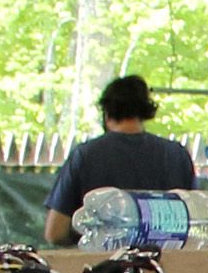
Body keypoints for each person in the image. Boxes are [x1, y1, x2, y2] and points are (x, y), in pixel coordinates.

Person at [46, 73, 196, 244]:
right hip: (165, 265)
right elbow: (196, 224)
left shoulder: (85, 155)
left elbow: (55, 232)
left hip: (102, 266)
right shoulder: (176, 155)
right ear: (146, 110)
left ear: (107, 112)